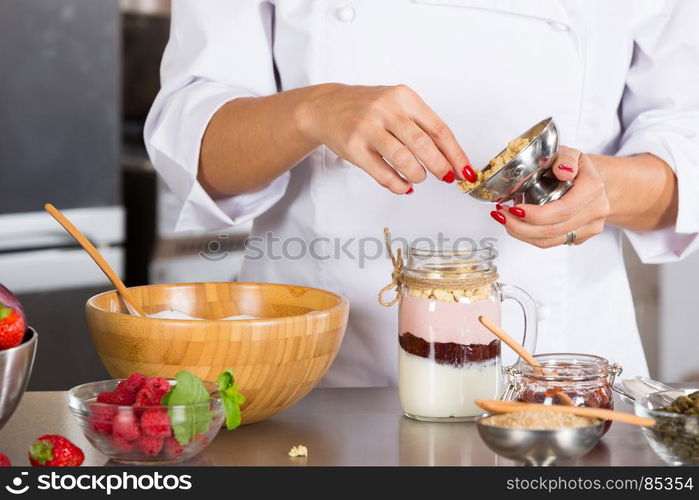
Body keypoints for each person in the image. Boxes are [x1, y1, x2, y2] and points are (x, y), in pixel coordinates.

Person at [145, 0, 699, 385]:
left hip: (556, 379)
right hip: (317, 375)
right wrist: (312, 110)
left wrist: (608, 188)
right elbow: (194, 151)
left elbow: (685, 144)